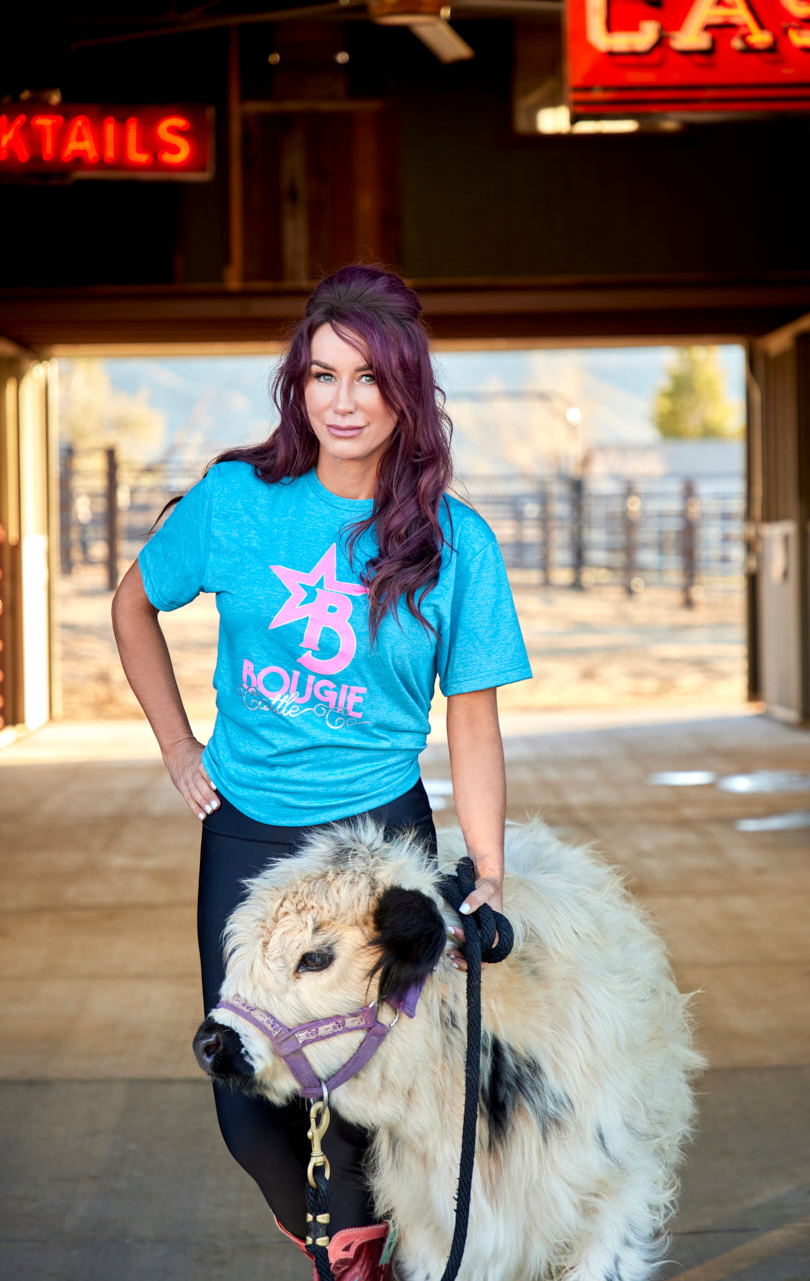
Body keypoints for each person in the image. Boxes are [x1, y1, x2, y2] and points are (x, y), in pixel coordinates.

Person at [111, 265, 531, 1280]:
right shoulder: (234, 503)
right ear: (297, 387)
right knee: (249, 1100)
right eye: (321, 375)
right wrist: (176, 743)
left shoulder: (456, 543)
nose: (344, 402)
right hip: (248, 832)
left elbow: (471, 718)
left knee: (375, 1085)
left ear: (407, 395)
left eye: (369, 380)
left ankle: (356, 1258)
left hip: (380, 844)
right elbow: (133, 605)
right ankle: (351, 1241)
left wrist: (486, 864)